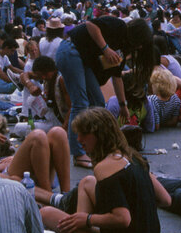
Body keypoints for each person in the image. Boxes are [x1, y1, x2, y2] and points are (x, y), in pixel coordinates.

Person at [40, 107, 168, 233]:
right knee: (87, 182)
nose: (78, 139)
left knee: (46, 213)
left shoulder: (104, 167)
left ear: (98, 135)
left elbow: (123, 219)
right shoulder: (133, 155)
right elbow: (165, 199)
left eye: (83, 134)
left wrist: (87, 219)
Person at [56, 16, 156, 168]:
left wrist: (123, 106)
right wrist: (105, 48)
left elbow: (117, 77)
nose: (140, 48)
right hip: (71, 50)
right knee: (80, 103)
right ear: (137, 35)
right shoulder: (119, 26)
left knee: (98, 103)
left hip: (83, 59)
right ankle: (77, 154)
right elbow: (90, 24)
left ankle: (94, 146)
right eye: (141, 43)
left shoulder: (123, 48)